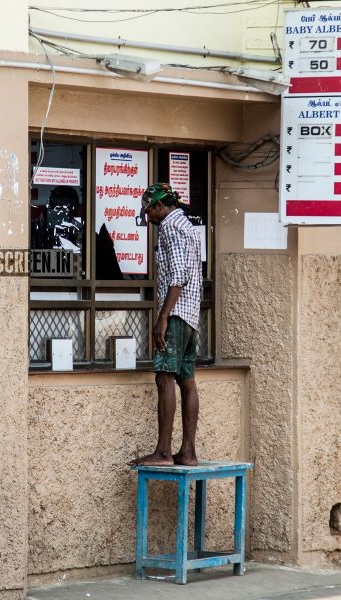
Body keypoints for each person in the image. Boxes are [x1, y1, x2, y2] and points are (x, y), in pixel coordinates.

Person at [131, 183, 203, 466]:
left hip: (175, 314)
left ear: (160, 206)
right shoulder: (188, 226)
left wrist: (162, 318)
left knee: (164, 377)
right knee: (187, 380)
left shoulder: (170, 228)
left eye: (148, 211)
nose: (147, 218)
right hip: (192, 315)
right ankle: (188, 451)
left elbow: (178, 276)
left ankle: (162, 451)